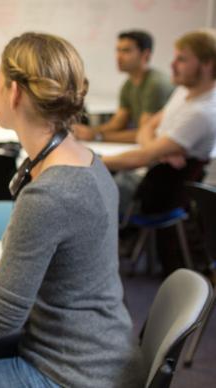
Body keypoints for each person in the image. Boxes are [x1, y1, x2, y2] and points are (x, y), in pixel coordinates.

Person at [0, 33, 146, 387]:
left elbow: (0, 321)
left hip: (72, 372)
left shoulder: (48, 195)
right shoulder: (87, 162)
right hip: (103, 351)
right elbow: (40, 268)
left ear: (15, 92)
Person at [104, 29, 216, 273]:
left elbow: (141, 157)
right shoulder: (184, 91)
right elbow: (148, 126)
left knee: (85, 190)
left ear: (207, 64)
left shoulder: (202, 112)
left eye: (182, 59)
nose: (172, 64)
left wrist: (92, 161)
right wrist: (156, 148)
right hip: (146, 177)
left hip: (152, 195)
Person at [73, 30, 174, 143]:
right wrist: (87, 131)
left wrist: (97, 136)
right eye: (118, 50)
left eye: (126, 51)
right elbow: (117, 123)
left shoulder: (156, 84)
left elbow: (143, 133)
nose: (118, 56)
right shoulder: (128, 85)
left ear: (145, 54)